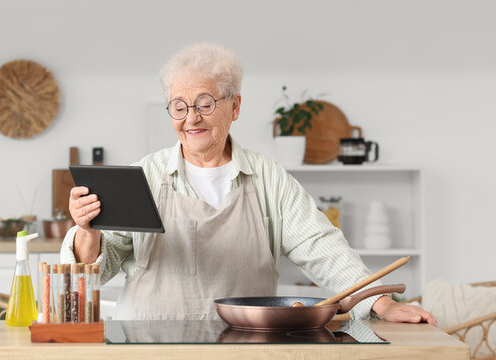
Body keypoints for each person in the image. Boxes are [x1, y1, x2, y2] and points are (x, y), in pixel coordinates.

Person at [59, 43, 436, 324]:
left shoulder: (268, 178)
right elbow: (96, 270)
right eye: (178, 106)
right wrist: (85, 230)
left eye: (205, 103)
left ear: (234, 107)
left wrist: (380, 304)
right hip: (150, 346)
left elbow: (321, 246)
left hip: (246, 346)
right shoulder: (145, 174)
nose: (191, 118)